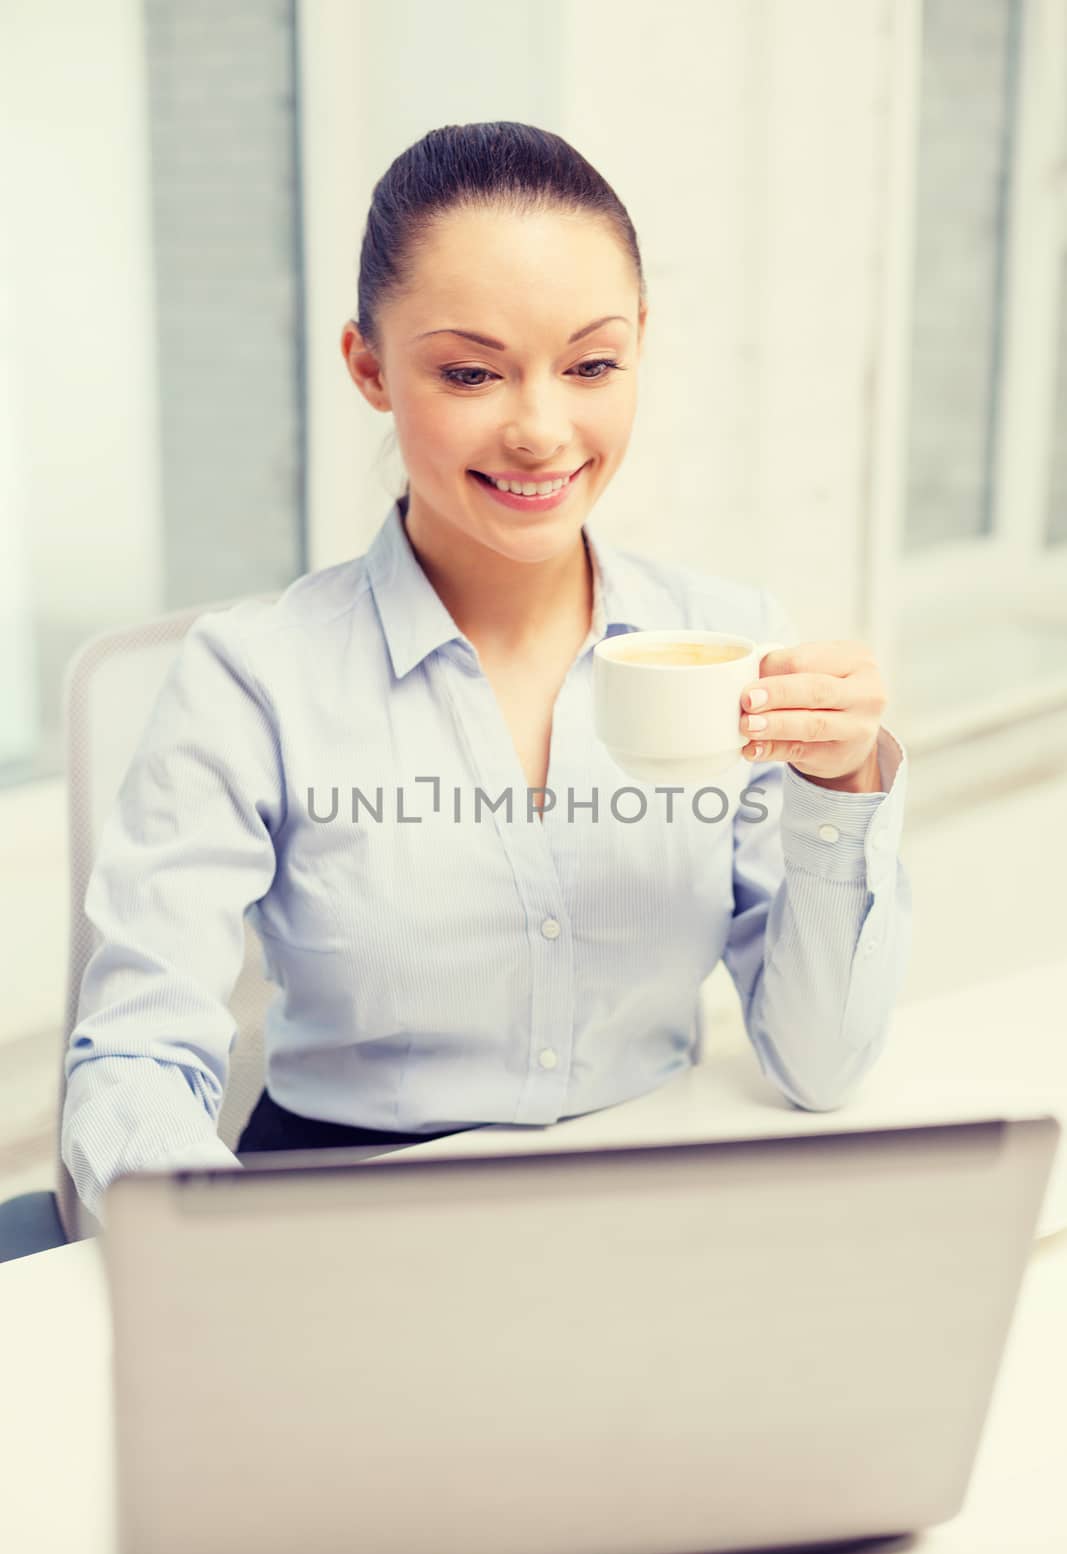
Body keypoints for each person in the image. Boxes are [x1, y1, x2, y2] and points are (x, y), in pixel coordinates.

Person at [62, 122, 911, 1222]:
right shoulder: (253, 677)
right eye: (469, 372)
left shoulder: (728, 639)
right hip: (342, 1227)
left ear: (640, 347)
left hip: (643, 1208)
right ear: (368, 367)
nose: (540, 430)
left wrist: (838, 790)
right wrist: (221, 1269)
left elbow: (819, 1065)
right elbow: (133, 1053)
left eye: (591, 364)